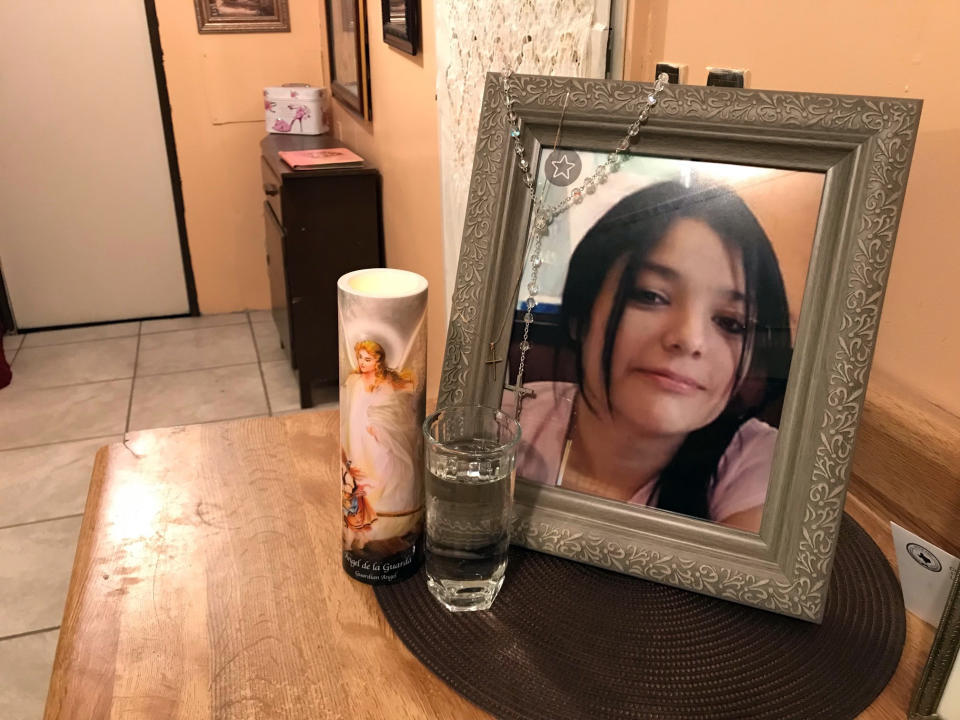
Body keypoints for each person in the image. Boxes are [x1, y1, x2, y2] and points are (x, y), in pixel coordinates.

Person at [502, 181, 793, 533]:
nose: (689, 339)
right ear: (582, 315)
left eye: (730, 322)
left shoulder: (758, 465)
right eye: (651, 295)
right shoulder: (505, 423)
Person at [340, 340, 422, 549]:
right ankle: (362, 516)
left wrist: (378, 427)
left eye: (368, 359)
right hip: (356, 435)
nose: (362, 363)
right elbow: (349, 408)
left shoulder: (383, 384)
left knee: (382, 469)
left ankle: (388, 515)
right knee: (359, 472)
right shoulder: (355, 381)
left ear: (377, 362)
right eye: (360, 358)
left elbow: (389, 409)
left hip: (374, 436)